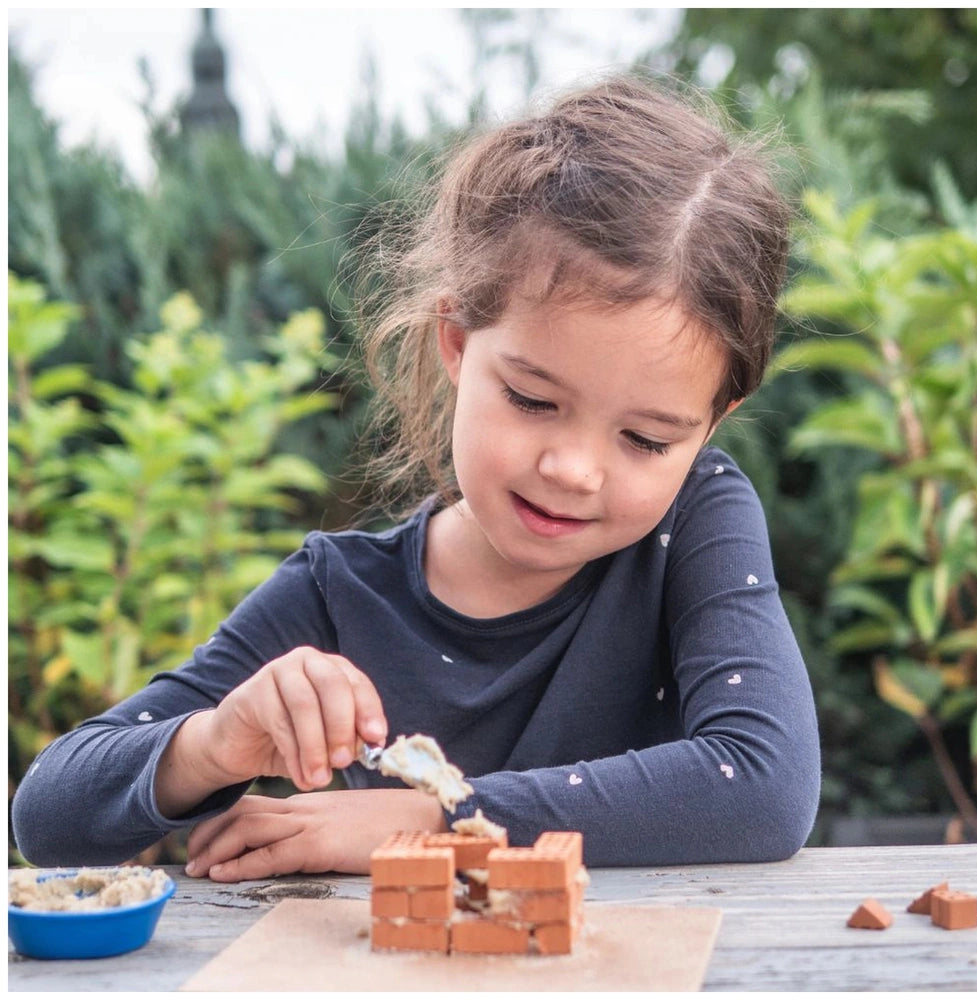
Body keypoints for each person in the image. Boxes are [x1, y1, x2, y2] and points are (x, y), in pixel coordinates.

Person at [12, 75, 821, 881]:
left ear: (710, 425)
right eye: (533, 400)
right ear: (458, 343)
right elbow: (49, 814)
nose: (572, 470)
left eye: (645, 439)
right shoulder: (338, 595)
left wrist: (440, 817)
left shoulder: (695, 521)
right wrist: (216, 740)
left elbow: (760, 784)